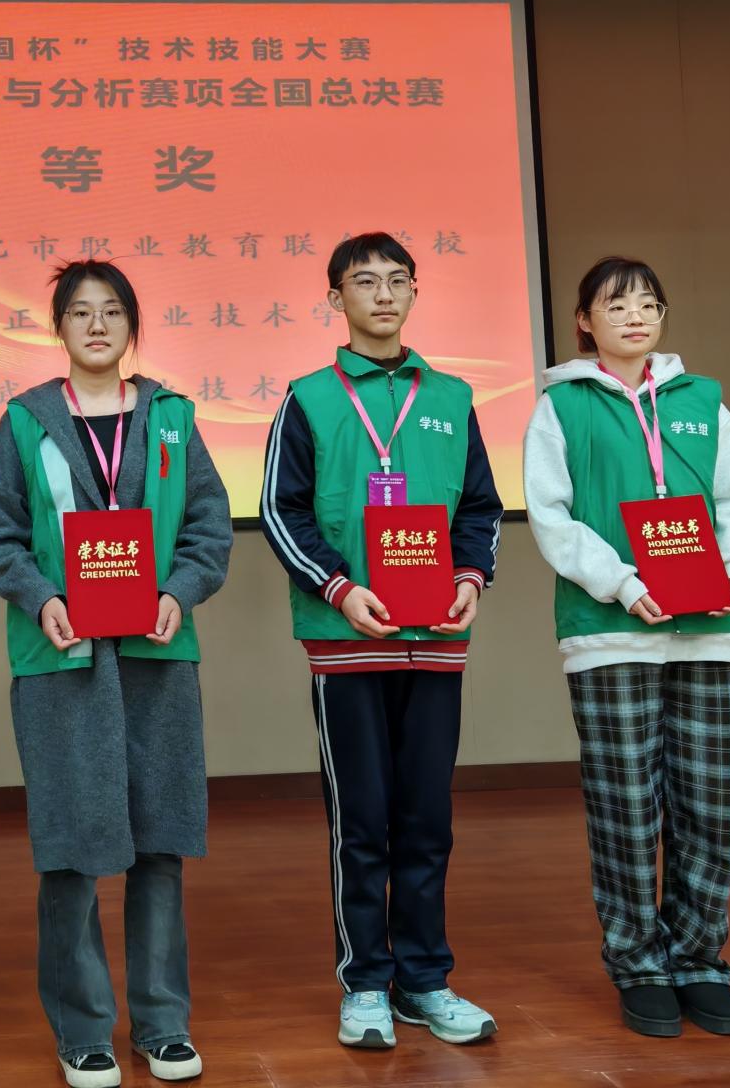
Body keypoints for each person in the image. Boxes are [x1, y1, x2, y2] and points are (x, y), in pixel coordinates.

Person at [0, 259, 232, 1088]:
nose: (96, 324)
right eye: (80, 312)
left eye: (112, 311)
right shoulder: (25, 421)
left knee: (159, 842)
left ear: (131, 326)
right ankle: (82, 1031)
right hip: (61, 657)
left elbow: (208, 525)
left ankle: (163, 1024)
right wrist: (40, 597)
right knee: (71, 847)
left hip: (157, 654)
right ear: (59, 327)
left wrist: (179, 591)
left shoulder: (172, 417)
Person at [260, 231, 504, 1052]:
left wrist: (469, 580)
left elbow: (480, 509)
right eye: (366, 283)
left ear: (414, 292)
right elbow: (280, 510)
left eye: (399, 281)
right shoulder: (308, 398)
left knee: (427, 819)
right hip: (347, 640)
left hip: (435, 639)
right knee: (361, 822)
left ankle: (425, 980)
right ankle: (365, 981)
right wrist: (340, 587)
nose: (385, 295)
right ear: (336, 299)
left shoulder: (453, 397)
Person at [522, 256, 730, 1039]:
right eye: (616, 304)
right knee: (626, 806)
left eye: (648, 304)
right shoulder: (561, 407)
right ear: (584, 321)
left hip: (709, 631)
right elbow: (552, 514)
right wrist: (624, 584)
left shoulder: (702, 399)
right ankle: (639, 965)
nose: (635, 316)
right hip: (610, 630)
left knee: (708, 805)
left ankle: (699, 960)